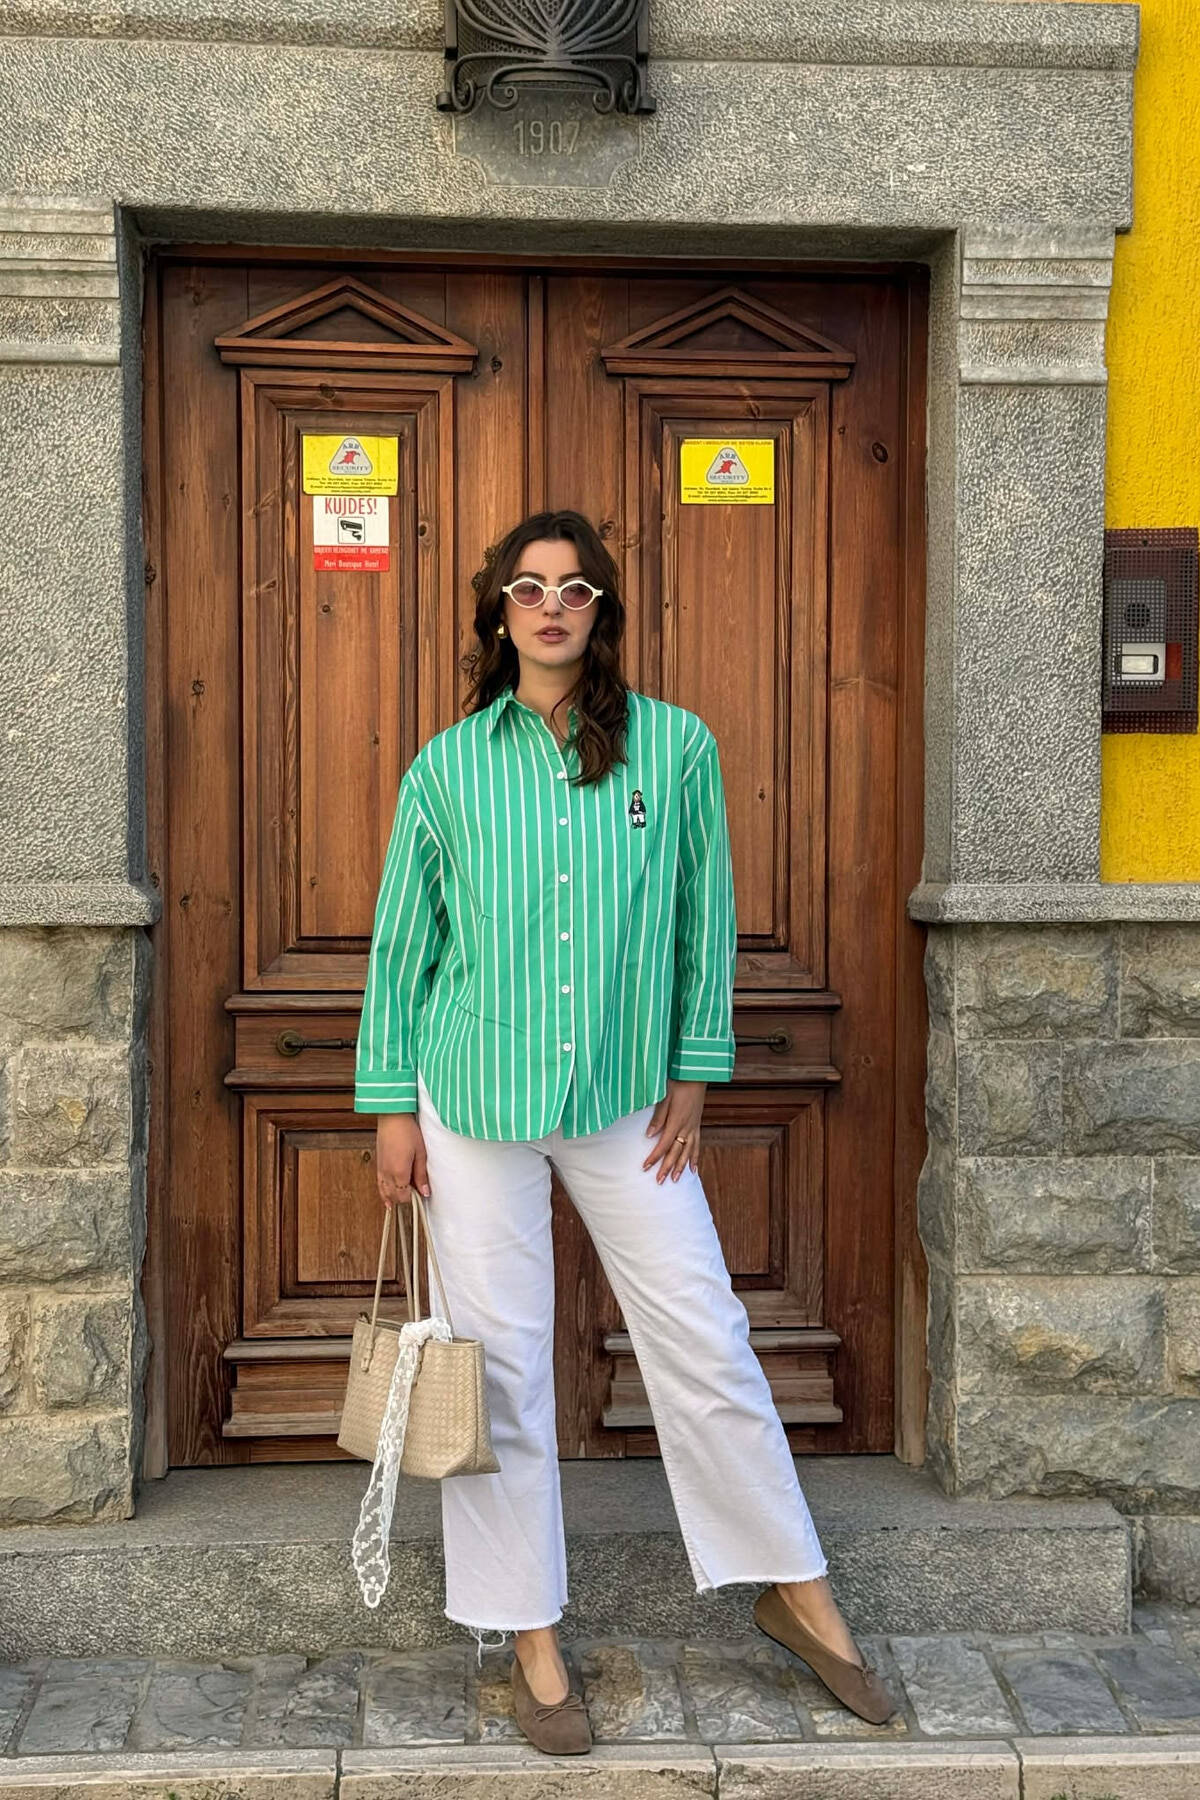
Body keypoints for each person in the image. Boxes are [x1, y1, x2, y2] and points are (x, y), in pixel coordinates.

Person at [354, 508, 898, 1753]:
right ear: (500, 614)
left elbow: (706, 916)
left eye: (575, 589)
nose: (551, 607)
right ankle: (529, 1637)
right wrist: (389, 1108)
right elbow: (402, 946)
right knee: (499, 1366)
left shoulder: (677, 748)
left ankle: (796, 1590)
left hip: (624, 1098)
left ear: (601, 611)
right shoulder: (446, 768)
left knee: (704, 1333)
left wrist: (695, 1074)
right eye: (529, 589)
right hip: (472, 1097)